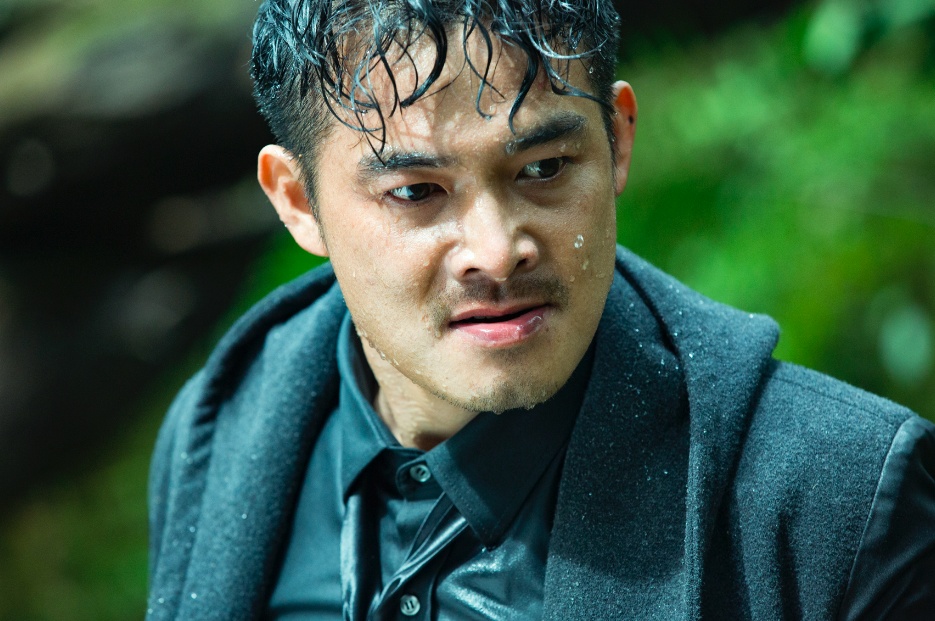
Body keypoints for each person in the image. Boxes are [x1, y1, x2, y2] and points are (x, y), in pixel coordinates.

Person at [146, 0, 935, 618]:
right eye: (416, 192)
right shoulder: (221, 435)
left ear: (616, 141)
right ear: (296, 201)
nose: (496, 251)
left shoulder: (842, 500)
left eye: (545, 168)